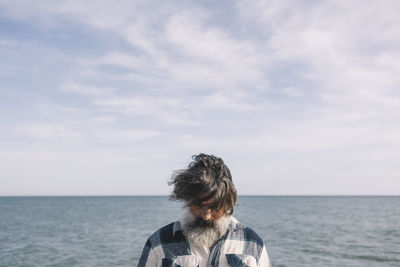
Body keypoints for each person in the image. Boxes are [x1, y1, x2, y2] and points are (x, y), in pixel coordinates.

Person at [138, 153, 271, 267]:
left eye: (214, 207)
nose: (206, 216)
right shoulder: (159, 242)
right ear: (187, 200)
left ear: (228, 204)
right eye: (199, 205)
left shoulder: (253, 244)